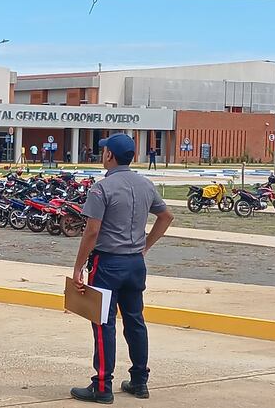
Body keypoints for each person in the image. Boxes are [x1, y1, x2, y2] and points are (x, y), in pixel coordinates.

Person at [70, 133, 174, 404]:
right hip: (135, 264)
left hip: (107, 263)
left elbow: (92, 231)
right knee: (135, 321)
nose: (102, 154)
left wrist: (78, 267)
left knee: (103, 323)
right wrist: (145, 246)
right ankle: (139, 381)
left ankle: (102, 385)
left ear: (109, 156)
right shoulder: (145, 184)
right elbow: (166, 216)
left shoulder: (102, 188)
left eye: (104, 151)